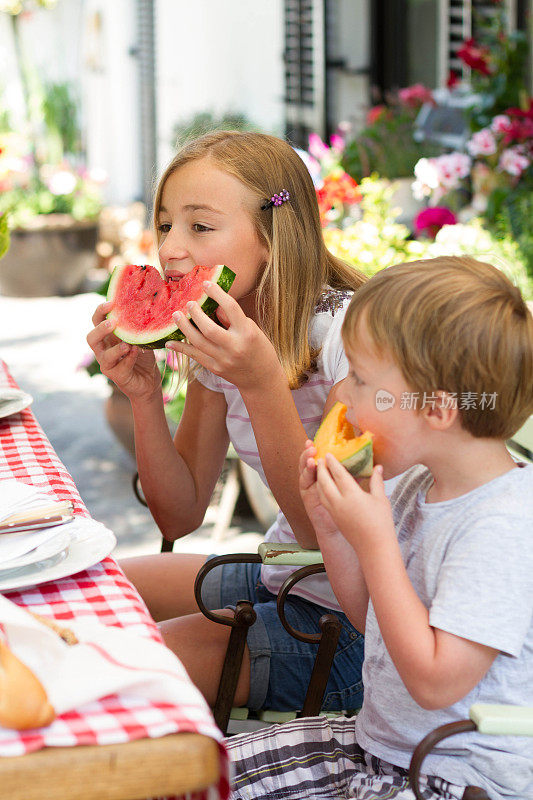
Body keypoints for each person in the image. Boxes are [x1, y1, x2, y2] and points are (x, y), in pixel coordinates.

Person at [226, 255, 533, 800]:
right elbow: (372, 622)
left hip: (456, 777)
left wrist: (376, 541)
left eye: (363, 381)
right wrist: (335, 531)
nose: (342, 397)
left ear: (436, 410)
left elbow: (437, 682)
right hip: (382, 747)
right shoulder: (419, 483)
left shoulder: (501, 527)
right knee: (208, 775)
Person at [87, 130, 368, 714]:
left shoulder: (352, 342)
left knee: (116, 674)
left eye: (200, 226)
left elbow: (331, 535)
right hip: (283, 575)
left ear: (272, 236)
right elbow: (179, 512)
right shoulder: (222, 335)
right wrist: (143, 394)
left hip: (359, 630)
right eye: (165, 225)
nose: (170, 249)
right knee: (92, 593)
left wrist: (262, 382)